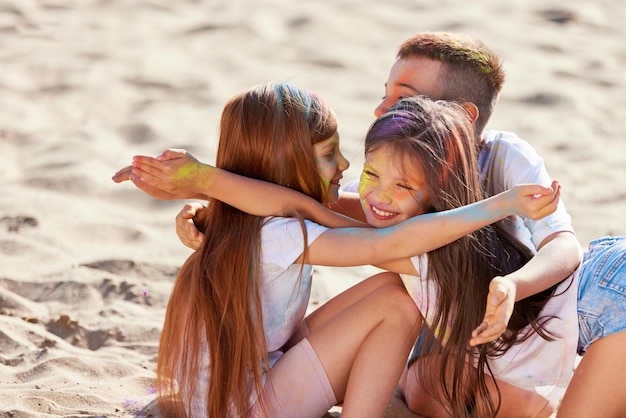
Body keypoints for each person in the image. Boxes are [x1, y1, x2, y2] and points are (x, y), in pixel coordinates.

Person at [113, 85, 560, 418]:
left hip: (227, 389)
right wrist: (501, 204)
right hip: (243, 406)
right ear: (286, 166)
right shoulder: (280, 233)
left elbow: (347, 233)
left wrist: (302, 204)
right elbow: (389, 244)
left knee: (389, 284)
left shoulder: (244, 218)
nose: (344, 166)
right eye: (329, 154)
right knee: (399, 304)